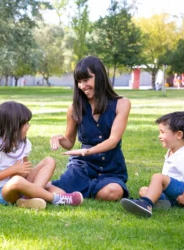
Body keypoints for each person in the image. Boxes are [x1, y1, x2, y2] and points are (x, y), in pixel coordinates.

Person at [47, 56, 131, 202]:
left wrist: (87, 151)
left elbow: (113, 141)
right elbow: (69, 142)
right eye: (79, 82)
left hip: (110, 166)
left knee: (114, 192)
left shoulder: (122, 104)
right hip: (82, 166)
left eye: (86, 80)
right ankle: (75, 191)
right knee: (52, 188)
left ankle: (76, 193)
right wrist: (61, 138)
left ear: (100, 77)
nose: (82, 85)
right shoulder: (74, 108)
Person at [0, 101, 83, 209]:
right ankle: (56, 199)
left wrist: (22, 173)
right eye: (25, 123)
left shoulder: (23, 144)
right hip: (2, 192)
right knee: (18, 181)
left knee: (49, 160)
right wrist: (13, 171)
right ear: (13, 126)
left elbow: (26, 173)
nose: (29, 126)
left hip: (21, 185)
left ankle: (27, 198)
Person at [120, 111, 184, 218]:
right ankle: (163, 204)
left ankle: (146, 204)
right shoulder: (172, 152)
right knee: (144, 190)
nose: (159, 136)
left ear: (179, 135)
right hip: (174, 194)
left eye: (162, 132)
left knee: (158, 178)